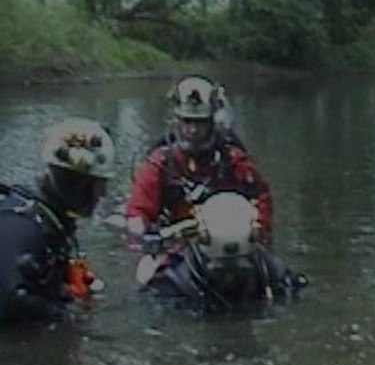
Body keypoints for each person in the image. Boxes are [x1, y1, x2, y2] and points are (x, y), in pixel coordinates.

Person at [124, 74, 273, 246]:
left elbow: (261, 196)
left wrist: (259, 225)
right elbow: (137, 211)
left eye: (200, 123)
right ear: (177, 122)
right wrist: (142, 233)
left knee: (279, 272)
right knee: (150, 271)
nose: (193, 130)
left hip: (234, 248)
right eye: (187, 122)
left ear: (211, 123)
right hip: (177, 254)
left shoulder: (233, 160)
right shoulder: (160, 164)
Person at [0, 118, 116, 324]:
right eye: (100, 184)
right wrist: (64, 318)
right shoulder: (23, 226)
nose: (103, 193)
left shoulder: (49, 220)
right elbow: (10, 298)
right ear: (79, 185)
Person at [139, 191, 307, 314]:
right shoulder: (174, 282)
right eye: (220, 270)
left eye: (239, 269)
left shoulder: (269, 269)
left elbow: (297, 286)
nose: (229, 278)